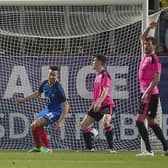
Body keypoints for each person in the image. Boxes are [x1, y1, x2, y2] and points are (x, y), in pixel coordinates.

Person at [16, 65, 69, 153]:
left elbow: (66, 105)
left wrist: (60, 122)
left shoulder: (58, 88)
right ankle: (38, 148)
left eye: (54, 75)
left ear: (57, 76)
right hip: (47, 109)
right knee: (33, 126)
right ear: (48, 74)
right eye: (50, 74)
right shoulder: (45, 83)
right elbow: (38, 93)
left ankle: (48, 149)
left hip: (56, 111)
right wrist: (23, 100)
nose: (52, 77)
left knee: (38, 123)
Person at [136, 21, 168, 156]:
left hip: (150, 95)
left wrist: (146, 93)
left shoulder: (154, 60)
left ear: (154, 46)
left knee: (143, 121)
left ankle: (151, 150)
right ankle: (162, 147)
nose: (145, 46)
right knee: (146, 121)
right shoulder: (145, 57)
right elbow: (142, 38)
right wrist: (149, 27)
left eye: (148, 45)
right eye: (145, 45)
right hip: (146, 94)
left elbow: (156, 79)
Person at [80, 54, 115, 152]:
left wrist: (99, 103)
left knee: (106, 122)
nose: (92, 62)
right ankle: (89, 148)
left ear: (100, 62)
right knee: (83, 125)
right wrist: (94, 104)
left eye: (94, 60)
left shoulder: (105, 75)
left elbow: (105, 91)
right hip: (97, 104)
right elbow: (97, 94)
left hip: (106, 104)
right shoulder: (98, 75)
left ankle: (111, 148)